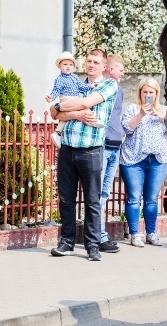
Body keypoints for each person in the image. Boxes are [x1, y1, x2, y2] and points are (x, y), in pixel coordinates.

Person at [49, 48, 118, 262]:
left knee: (92, 201)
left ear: (104, 66)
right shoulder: (73, 82)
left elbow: (87, 103)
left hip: (91, 150)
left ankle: (92, 246)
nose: (91, 65)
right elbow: (53, 112)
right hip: (68, 148)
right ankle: (66, 242)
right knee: (66, 200)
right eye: (88, 61)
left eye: (96, 62)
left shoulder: (109, 84)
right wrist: (76, 113)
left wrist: (63, 108)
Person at [119, 78, 167, 247]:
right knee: (134, 198)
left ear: (156, 94)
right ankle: (134, 234)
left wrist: (162, 117)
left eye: (151, 92)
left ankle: (151, 233)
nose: (148, 95)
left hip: (157, 160)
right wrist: (141, 114)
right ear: (140, 92)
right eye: (145, 92)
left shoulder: (165, 110)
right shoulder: (132, 109)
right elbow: (127, 128)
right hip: (133, 160)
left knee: (152, 199)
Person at [97, 54, 125, 254]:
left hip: (116, 146)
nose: (123, 72)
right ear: (109, 69)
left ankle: (100, 234)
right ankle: (99, 235)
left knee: (105, 193)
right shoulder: (99, 87)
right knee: (97, 193)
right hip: (103, 146)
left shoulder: (120, 89)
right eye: (120, 69)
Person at [44, 51, 97, 148]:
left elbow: (81, 86)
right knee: (82, 108)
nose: (68, 66)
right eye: (65, 64)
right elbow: (56, 89)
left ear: (73, 67)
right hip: (66, 98)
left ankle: (58, 132)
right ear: (60, 67)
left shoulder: (75, 77)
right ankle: (93, 120)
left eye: (70, 65)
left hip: (75, 98)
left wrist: (90, 86)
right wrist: (51, 97)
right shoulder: (60, 79)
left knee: (71, 114)